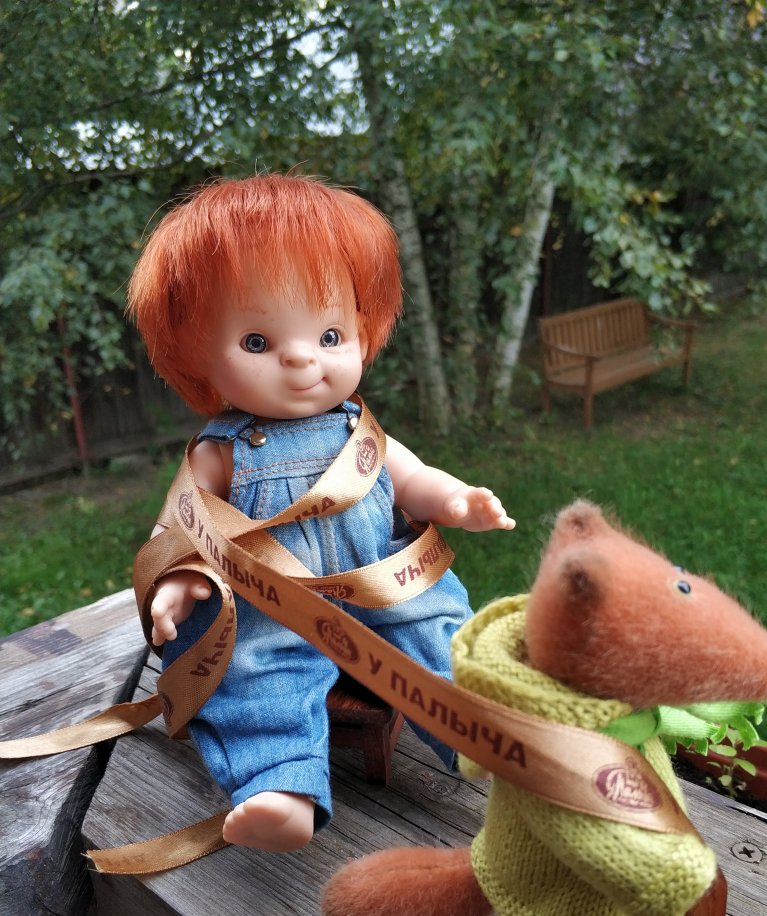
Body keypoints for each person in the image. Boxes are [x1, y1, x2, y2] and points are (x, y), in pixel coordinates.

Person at [127, 172, 514, 855]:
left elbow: (412, 478)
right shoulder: (220, 452)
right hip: (268, 603)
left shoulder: (358, 431)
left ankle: (482, 738)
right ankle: (280, 789)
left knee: (439, 635)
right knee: (256, 677)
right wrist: (179, 581)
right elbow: (184, 529)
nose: (303, 356)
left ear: (363, 329)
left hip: (383, 582)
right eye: (257, 342)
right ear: (196, 355)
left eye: (330, 332)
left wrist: (455, 500)